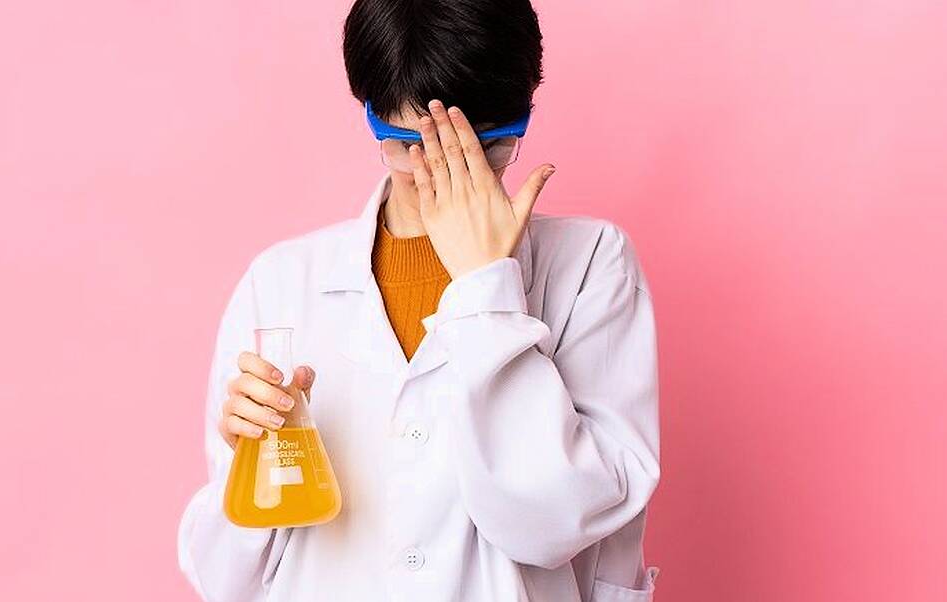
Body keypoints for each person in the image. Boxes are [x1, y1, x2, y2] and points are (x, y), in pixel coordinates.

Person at [177, 1, 661, 600]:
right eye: (411, 142)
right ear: (371, 116)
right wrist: (249, 463)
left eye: (485, 144)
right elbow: (227, 580)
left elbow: (551, 525)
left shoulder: (593, 264)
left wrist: (487, 288)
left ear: (525, 111)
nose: (445, 166)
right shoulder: (280, 283)